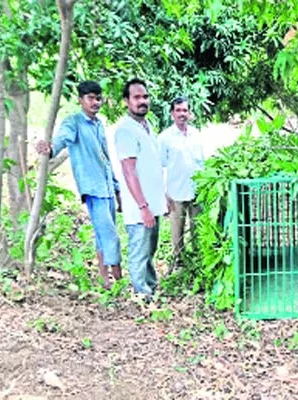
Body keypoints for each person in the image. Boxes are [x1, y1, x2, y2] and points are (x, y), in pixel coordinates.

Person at [35, 81, 121, 289]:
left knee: (103, 236)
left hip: (107, 187)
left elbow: (106, 159)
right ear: (80, 100)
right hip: (92, 188)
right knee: (110, 236)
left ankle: (106, 281)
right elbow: (61, 140)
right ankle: (120, 280)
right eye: (90, 98)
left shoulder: (99, 124)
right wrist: (50, 148)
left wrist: (117, 189)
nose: (95, 102)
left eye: (98, 98)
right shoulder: (74, 122)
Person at [114, 78, 167, 300]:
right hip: (139, 208)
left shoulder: (146, 127)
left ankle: (150, 288)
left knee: (150, 250)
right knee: (139, 251)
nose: (142, 101)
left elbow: (151, 167)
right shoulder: (126, 130)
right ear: (126, 101)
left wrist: (162, 197)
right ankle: (141, 296)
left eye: (145, 97)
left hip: (152, 204)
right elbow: (129, 171)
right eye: (136, 97)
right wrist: (143, 206)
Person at [158, 97, 204, 270]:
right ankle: (179, 263)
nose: (182, 114)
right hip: (175, 193)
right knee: (177, 231)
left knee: (197, 228)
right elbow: (159, 166)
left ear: (189, 113)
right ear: (172, 114)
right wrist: (163, 194)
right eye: (178, 110)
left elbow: (202, 163)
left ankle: (198, 261)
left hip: (196, 190)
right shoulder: (165, 138)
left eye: (185, 110)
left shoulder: (196, 134)